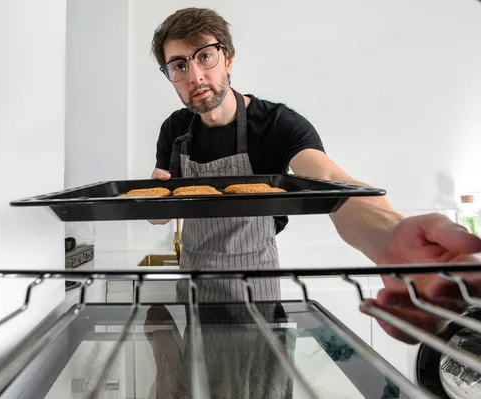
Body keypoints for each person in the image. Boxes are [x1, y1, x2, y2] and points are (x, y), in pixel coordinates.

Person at [148, 6, 481, 353]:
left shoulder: (277, 124)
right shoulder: (174, 130)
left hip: (258, 292)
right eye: (179, 65)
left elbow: (327, 179)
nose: (195, 76)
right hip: (194, 290)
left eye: (205, 56)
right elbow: (159, 213)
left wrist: (388, 234)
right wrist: (151, 195)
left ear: (228, 58)